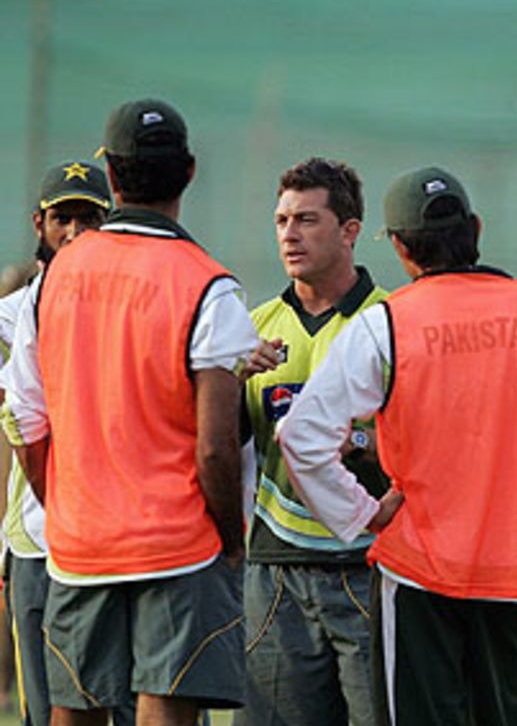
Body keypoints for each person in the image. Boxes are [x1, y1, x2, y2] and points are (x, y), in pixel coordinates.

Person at [278, 166, 517, 725]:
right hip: (513, 570)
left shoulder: (386, 324)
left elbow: (300, 436)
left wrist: (361, 514)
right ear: (475, 228)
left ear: (401, 248)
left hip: (418, 570)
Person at [1, 98, 256, 726]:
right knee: (164, 705)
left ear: (111, 176)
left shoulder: (50, 281)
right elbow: (216, 446)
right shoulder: (211, 285)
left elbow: (26, 419)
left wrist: (63, 508)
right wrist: (230, 538)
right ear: (189, 171)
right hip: (178, 546)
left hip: (80, 543)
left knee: (74, 708)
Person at [234, 158, 387, 726]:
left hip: (369, 567)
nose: (290, 235)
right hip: (276, 571)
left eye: (307, 220)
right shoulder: (252, 327)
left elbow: (431, 445)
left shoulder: (391, 320)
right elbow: (218, 446)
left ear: (350, 230)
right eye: (281, 221)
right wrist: (228, 386)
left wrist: (362, 441)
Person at [0, 160, 124, 726]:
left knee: (134, 702)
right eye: (62, 219)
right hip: (40, 538)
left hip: (124, 538)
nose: (75, 233)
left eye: (89, 219)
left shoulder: (133, 303)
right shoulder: (13, 313)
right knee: (49, 710)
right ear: (39, 224)